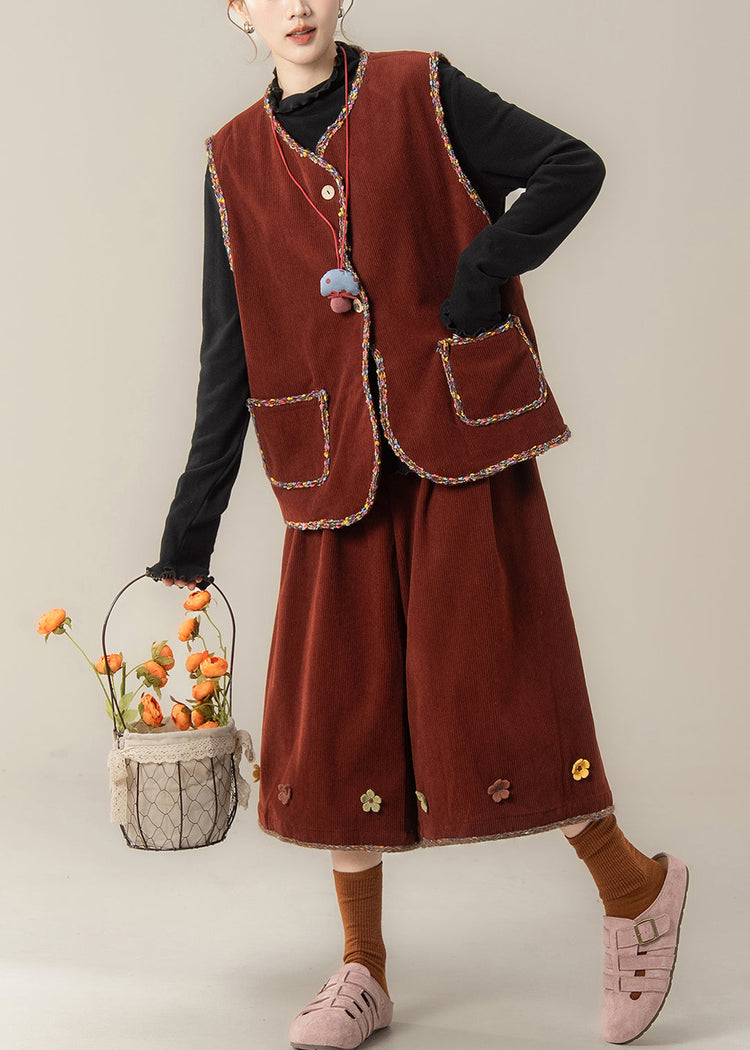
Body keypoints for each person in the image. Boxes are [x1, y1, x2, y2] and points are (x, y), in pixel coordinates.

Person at [147, 2, 689, 1046]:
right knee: (340, 718)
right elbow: (231, 351)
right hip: (331, 465)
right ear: (238, 10)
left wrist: (481, 272)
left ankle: (636, 892)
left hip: (458, 434)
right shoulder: (230, 161)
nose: (296, 5)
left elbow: (570, 166)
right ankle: (364, 969)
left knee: (505, 684)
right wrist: (192, 523)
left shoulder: (420, 88)